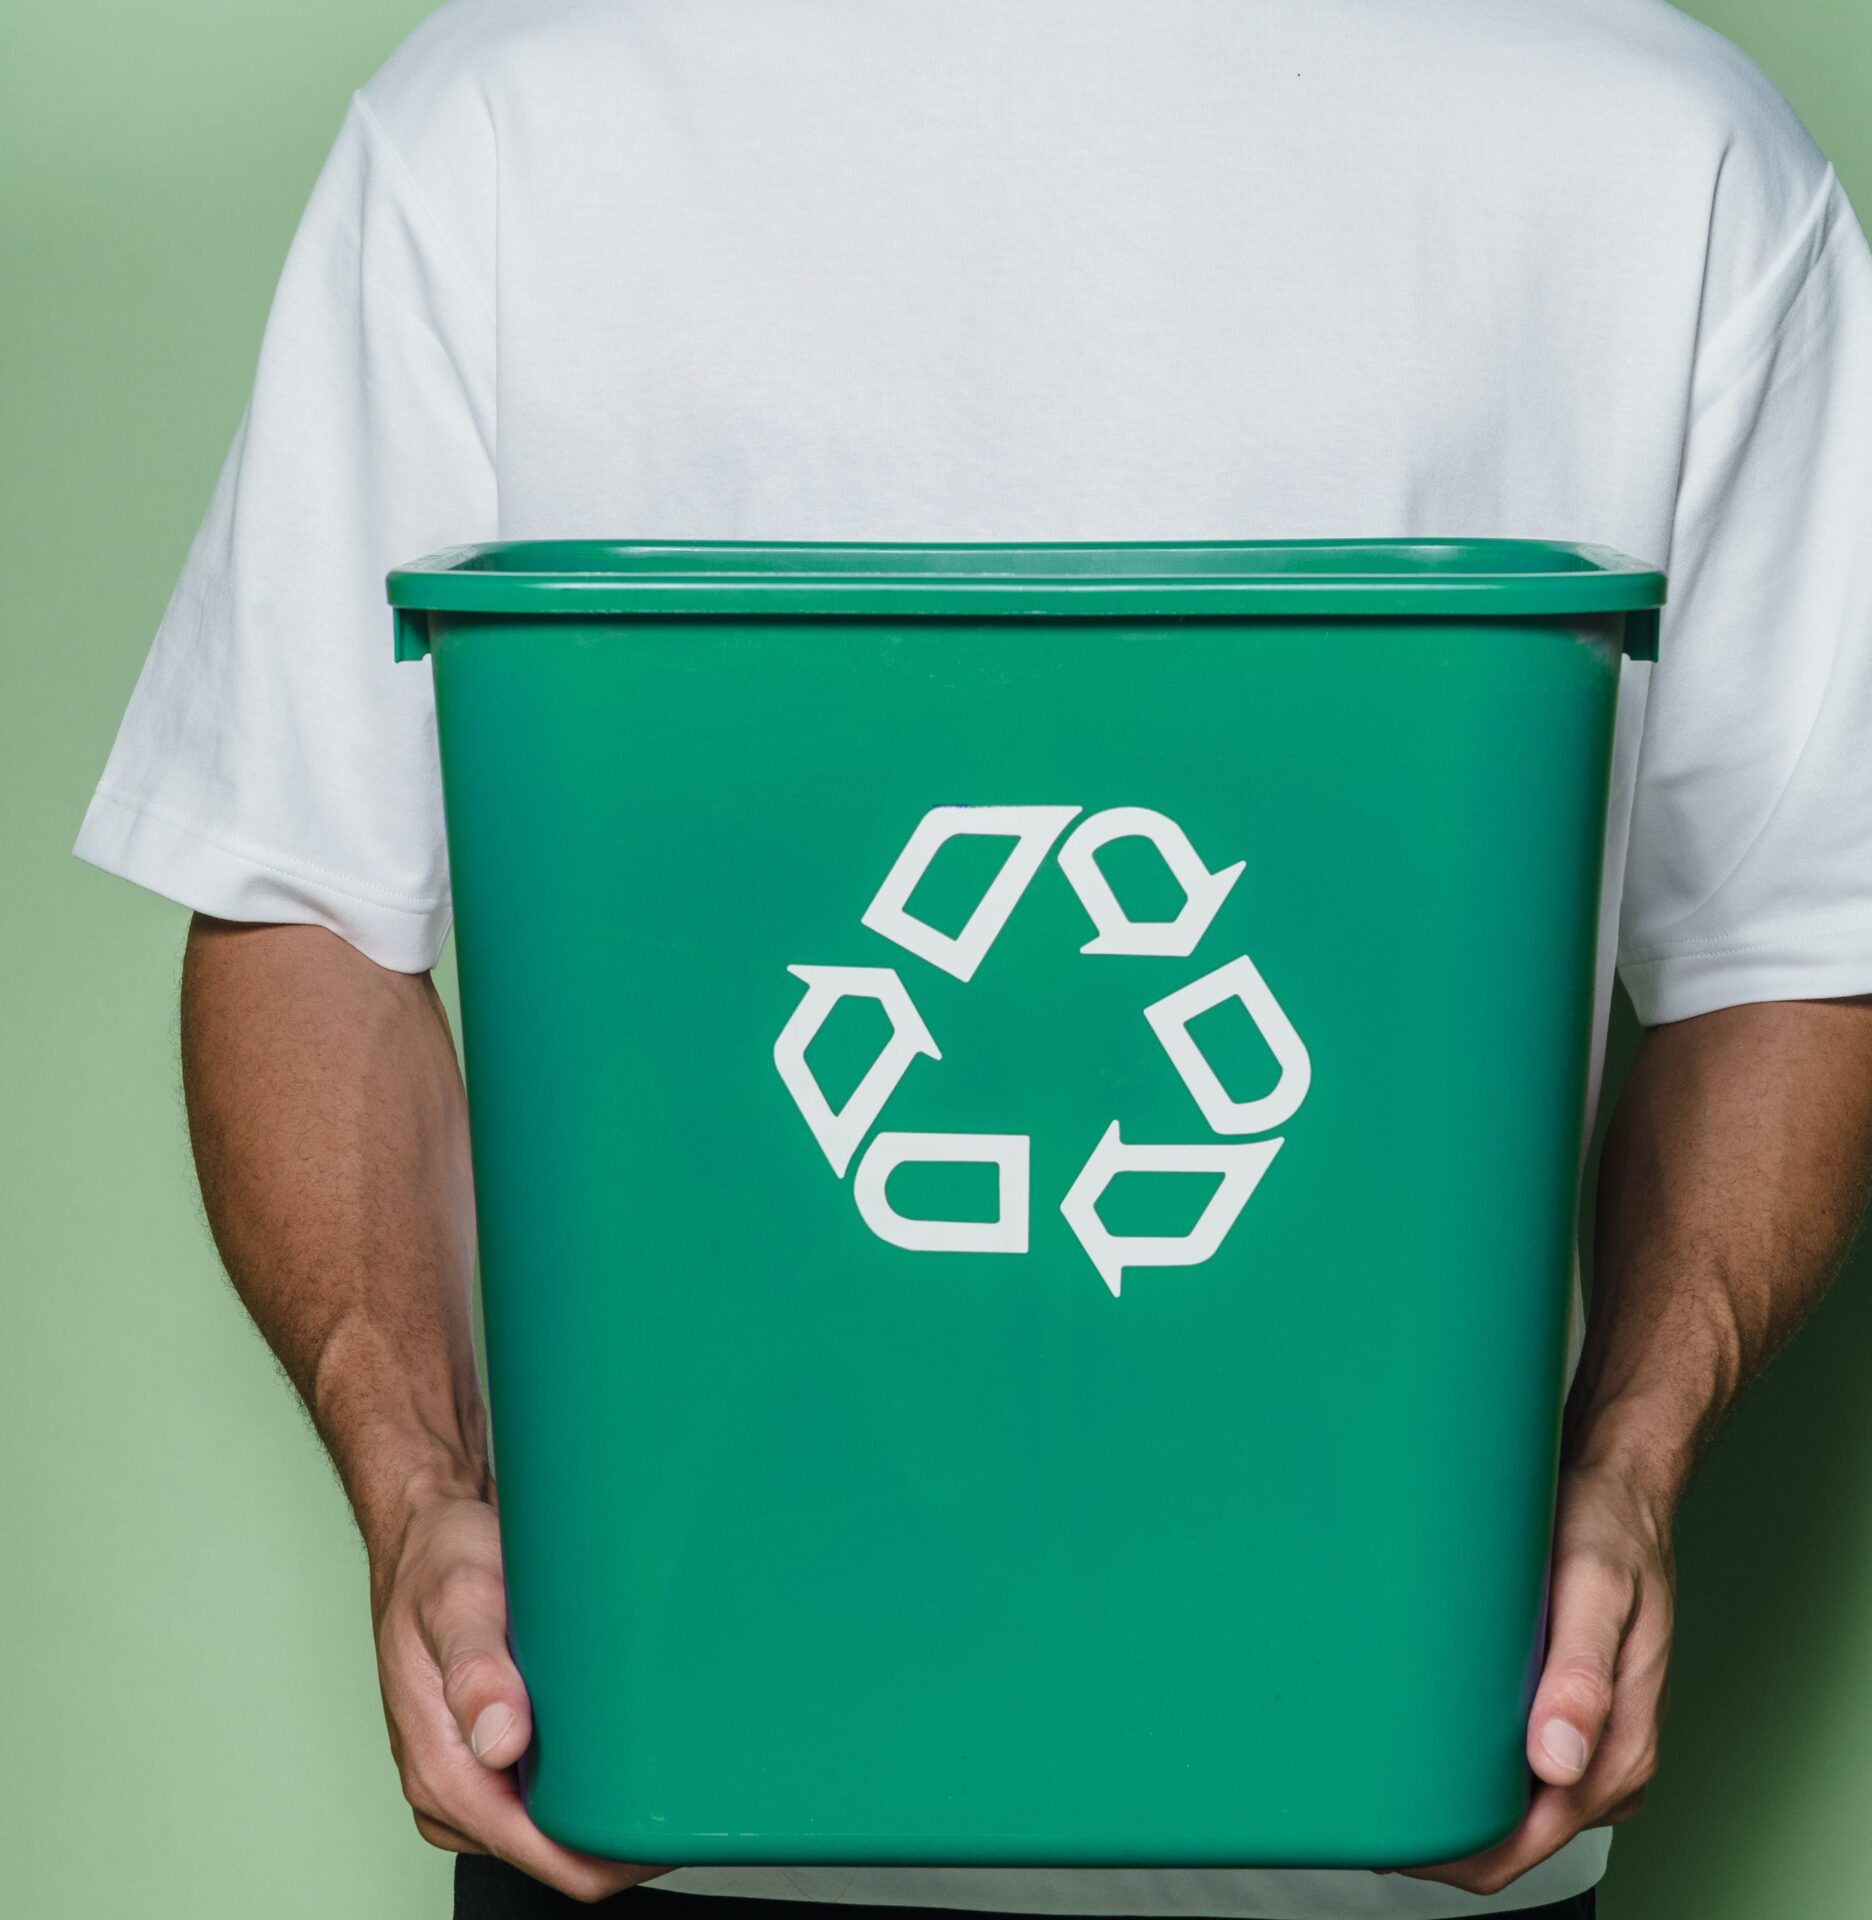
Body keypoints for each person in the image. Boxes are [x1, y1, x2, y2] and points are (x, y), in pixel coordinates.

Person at [77, 1, 1872, 1915]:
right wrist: (417, 1485)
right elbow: (302, 903)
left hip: (1400, 1824)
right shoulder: (510, 119)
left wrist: (1635, 1460)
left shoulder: (1658, 144)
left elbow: (1792, 935)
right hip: (665, 1800)